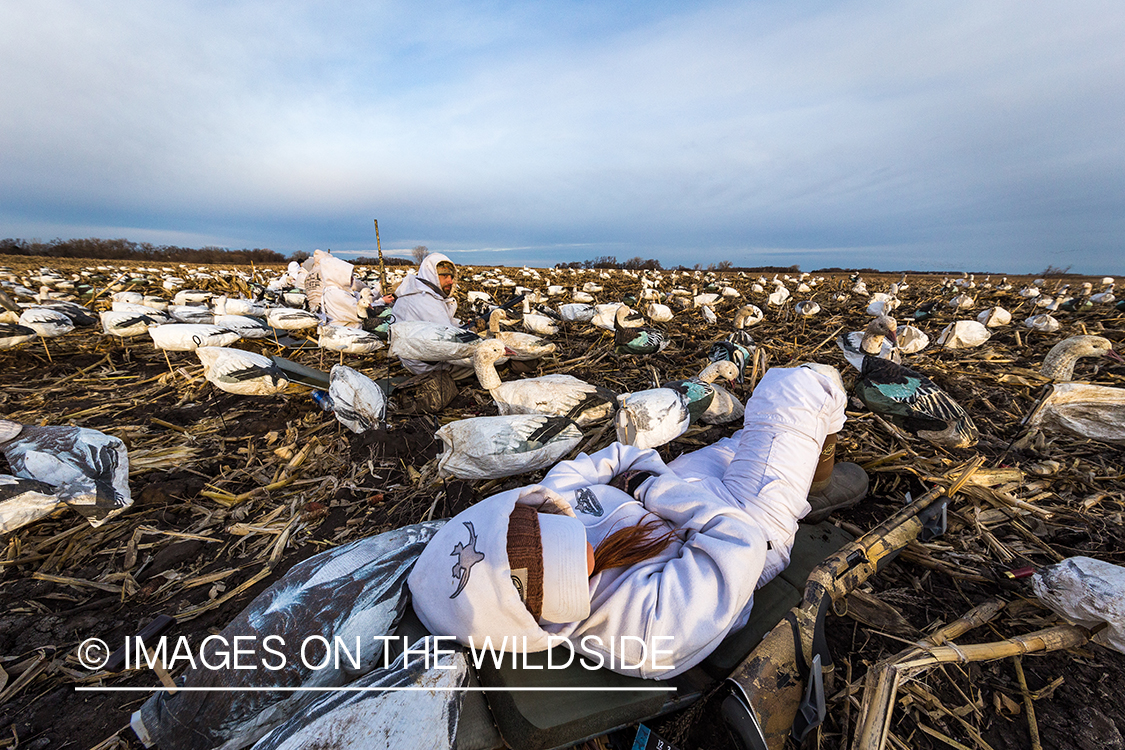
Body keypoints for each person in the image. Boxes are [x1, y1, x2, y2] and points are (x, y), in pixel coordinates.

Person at [408, 364, 868, 679]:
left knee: (746, 436)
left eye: (565, 539)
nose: (586, 558)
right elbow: (736, 541)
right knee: (801, 385)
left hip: (679, 486)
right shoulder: (646, 635)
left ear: (533, 510)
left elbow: (617, 455)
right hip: (742, 520)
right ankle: (814, 482)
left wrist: (651, 480)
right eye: (567, 578)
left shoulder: (553, 496)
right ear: (530, 622)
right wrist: (647, 489)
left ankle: (800, 468)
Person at [390, 252, 463, 373]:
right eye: (444, 276)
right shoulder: (424, 299)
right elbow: (448, 342)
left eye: (451, 276)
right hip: (428, 367)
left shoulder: (417, 291)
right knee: (489, 359)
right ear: (431, 275)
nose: (450, 281)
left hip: (415, 360)